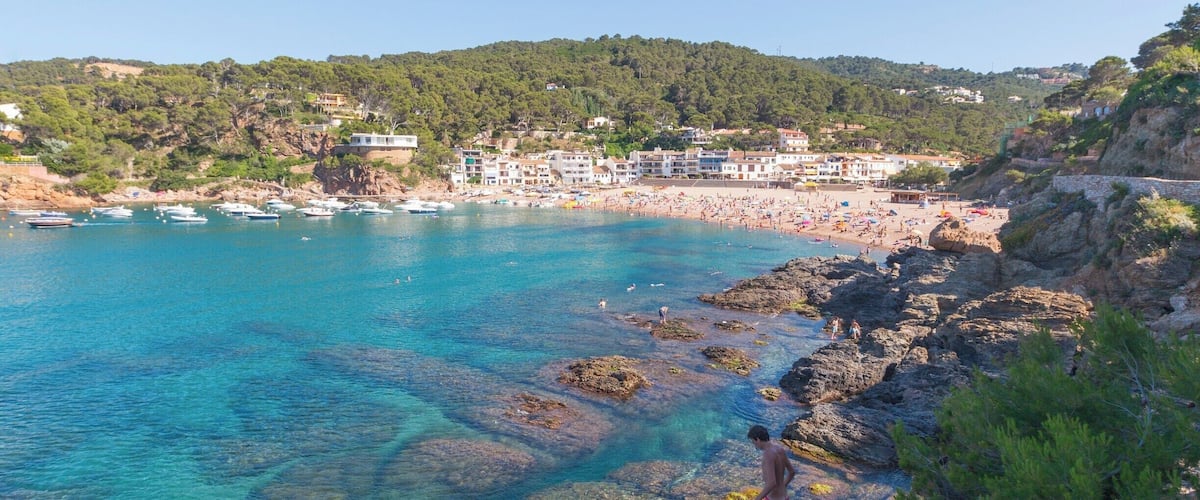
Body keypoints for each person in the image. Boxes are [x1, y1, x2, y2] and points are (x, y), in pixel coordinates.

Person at [748, 425, 795, 500]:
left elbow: (771, 483)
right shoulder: (780, 449)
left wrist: (757, 498)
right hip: (785, 497)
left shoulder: (768, 454)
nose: (755, 446)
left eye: (754, 442)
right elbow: (792, 472)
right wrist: (783, 486)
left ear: (758, 439)